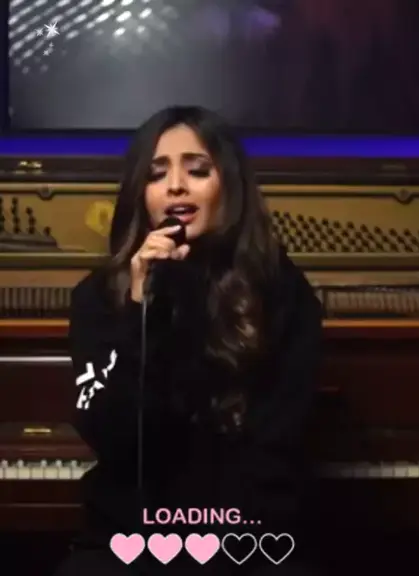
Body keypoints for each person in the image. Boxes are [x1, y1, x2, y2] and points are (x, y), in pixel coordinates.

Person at [54, 105, 324, 575]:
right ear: (141, 194)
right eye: (156, 174)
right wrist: (141, 310)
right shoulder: (98, 298)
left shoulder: (282, 292)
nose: (176, 186)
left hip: (248, 538)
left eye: (198, 170)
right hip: (130, 537)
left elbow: (277, 445)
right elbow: (111, 436)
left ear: (229, 187)